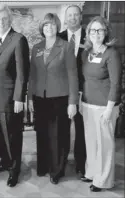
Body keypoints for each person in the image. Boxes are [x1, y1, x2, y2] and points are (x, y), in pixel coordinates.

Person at [28, 13, 79, 185]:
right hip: (40, 98)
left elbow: (73, 75)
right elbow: (32, 75)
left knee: (58, 135)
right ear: (42, 28)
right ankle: (44, 165)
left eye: (52, 25)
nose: (48, 28)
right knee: (42, 133)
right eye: (45, 25)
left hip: (59, 98)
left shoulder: (65, 46)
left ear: (57, 27)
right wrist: (29, 98)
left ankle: (57, 170)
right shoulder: (36, 47)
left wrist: (73, 102)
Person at [0, 5, 30, 188]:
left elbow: (22, 72)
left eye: (4, 19)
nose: (1, 22)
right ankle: (4, 161)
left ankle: (14, 170)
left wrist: (19, 98)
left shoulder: (19, 39)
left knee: (12, 136)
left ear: (10, 20)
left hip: (10, 98)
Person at [80, 16, 122, 192]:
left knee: (104, 145)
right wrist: (81, 101)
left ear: (106, 32)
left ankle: (103, 180)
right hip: (88, 105)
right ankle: (92, 172)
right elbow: (85, 79)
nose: (96, 34)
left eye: (100, 30)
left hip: (105, 107)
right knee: (91, 143)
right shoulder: (86, 53)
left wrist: (109, 108)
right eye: (92, 30)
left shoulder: (111, 53)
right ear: (88, 33)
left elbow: (116, 83)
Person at [58, 5, 87, 176]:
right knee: (62, 130)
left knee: (82, 130)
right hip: (62, 92)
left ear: (81, 17)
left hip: (85, 92)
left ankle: (81, 165)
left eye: (76, 15)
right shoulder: (58, 37)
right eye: (70, 15)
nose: (73, 18)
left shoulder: (90, 36)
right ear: (65, 18)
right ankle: (60, 165)